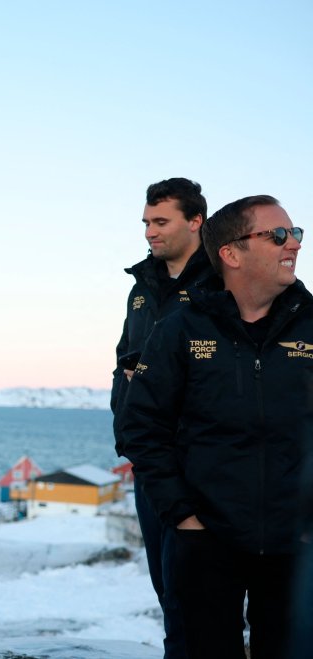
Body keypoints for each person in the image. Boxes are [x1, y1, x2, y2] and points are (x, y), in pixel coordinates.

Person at [120, 195, 308, 659]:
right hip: (206, 542)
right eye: (278, 235)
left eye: (296, 234)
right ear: (231, 253)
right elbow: (140, 425)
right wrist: (182, 516)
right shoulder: (182, 327)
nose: (294, 245)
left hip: (296, 546)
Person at [111, 177, 210, 658]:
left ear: (196, 222)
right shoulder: (142, 286)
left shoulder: (221, 283)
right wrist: (126, 438)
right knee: (166, 590)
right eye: (146, 222)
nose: (149, 232)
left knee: (200, 593)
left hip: (201, 461)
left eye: (161, 221)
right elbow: (123, 361)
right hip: (151, 462)